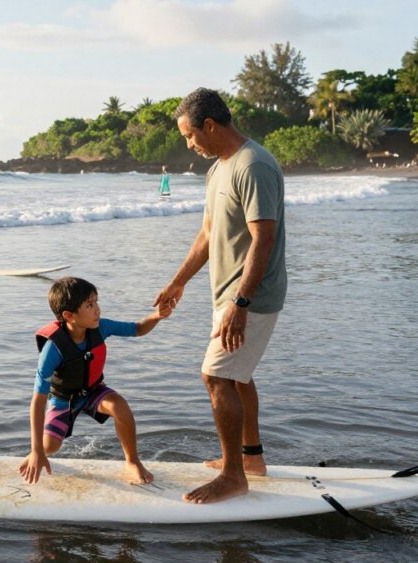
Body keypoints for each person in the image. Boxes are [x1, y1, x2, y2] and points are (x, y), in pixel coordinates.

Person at [152, 88, 286, 504]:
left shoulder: (254, 165)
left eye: (190, 136)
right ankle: (251, 460)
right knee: (236, 374)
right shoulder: (218, 170)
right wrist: (179, 281)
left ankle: (233, 476)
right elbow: (210, 233)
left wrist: (241, 304)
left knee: (216, 375)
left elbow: (265, 237)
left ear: (209, 125)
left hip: (251, 295)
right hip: (227, 294)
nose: (189, 145)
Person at [20, 277, 172, 486]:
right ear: (69, 316)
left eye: (96, 302)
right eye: (89, 305)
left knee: (120, 406)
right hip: (63, 399)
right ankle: (36, 454)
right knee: (50, 446)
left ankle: (132, 461)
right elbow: (38, 401)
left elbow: (137, 328)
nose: (97, 309)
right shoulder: (52, 350)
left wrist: (157, 316)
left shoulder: (101, 327)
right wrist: (37, 451)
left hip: (93, 391)